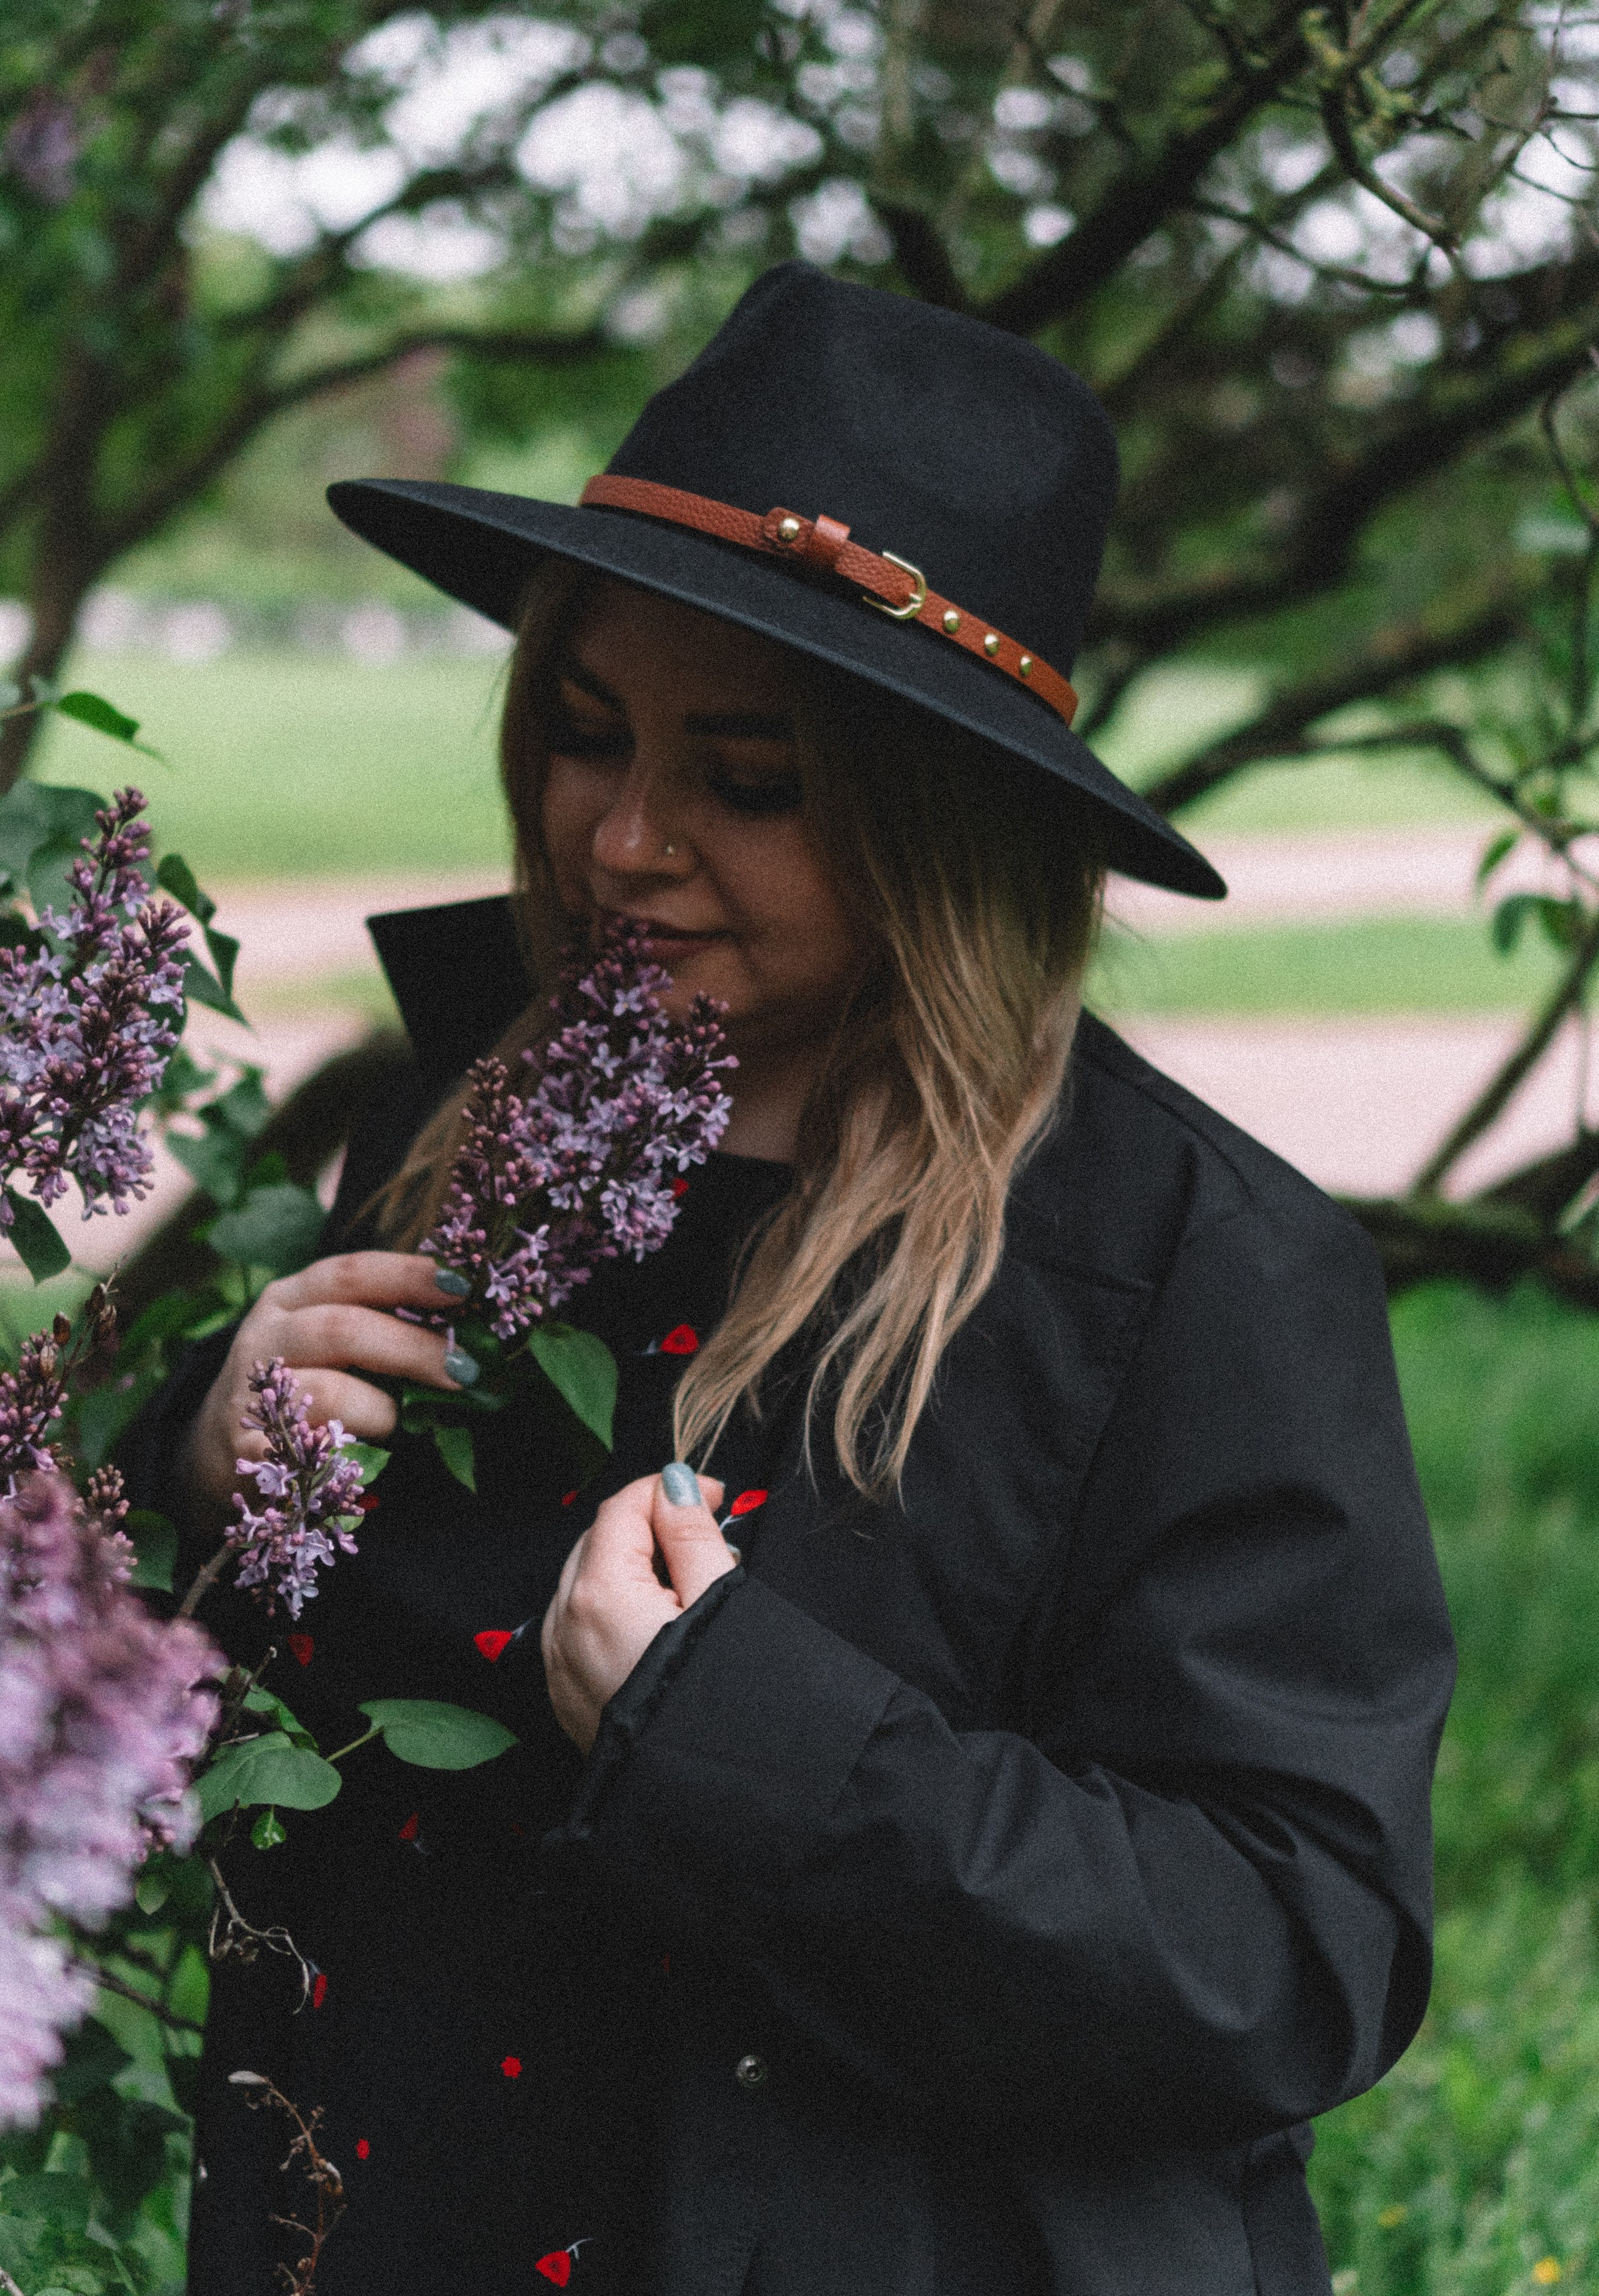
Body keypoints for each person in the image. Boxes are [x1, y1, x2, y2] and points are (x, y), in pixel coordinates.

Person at [123, 262, 1455, 2296]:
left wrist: (747, 1739)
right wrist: (199, 1464)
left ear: (950, 830)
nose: (625, 838)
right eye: (584, 735)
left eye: (749, 781)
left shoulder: (1196, 1273)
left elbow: (1290, 1950)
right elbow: (173, 1699)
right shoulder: (435, 1121)